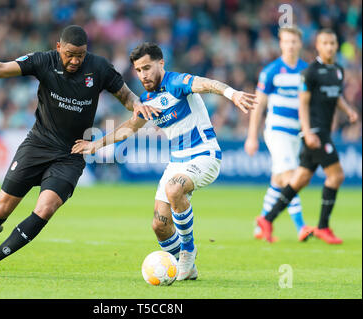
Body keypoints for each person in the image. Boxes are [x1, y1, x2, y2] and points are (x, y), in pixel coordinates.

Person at [0, 25, 160, 277]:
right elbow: (0, 70)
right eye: (70, 54)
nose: (75, 60)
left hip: (72, 153)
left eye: (80, 54)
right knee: (2, 209)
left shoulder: (99, 67)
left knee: (45, 208)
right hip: (37, 145)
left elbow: (126, 96)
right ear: (58, 47)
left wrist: (137, 105)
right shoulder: (43, 61)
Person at [72, 42, 256, 280]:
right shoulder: (147, 100)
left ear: (161, 63)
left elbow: (207, 84)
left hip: (204, 155)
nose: (143, 74)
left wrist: (233, 94)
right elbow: (130, 127)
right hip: (177, 162)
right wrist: (97, 143)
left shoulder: (177, 83)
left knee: (174, 188)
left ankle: (188, 251)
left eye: (147, 68)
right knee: (159, 226)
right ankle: (186, 269)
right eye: (138, 70)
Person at [257, 29, 359, 244]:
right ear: (317, 46)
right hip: (312, 132)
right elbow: (303, 103)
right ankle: (319, 227)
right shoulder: (309, 72)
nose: (330, 47)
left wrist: (348, 110)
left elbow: (335, 95)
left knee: (298, 179)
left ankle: (267, 219)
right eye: (325, 43)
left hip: (307, 132)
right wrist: (308, 131)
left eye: (333, 43)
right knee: (336, 176)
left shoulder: (338, 71)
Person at [244, 26, 314, 242]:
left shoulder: (306, 70)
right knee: (291, 177)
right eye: (286, 41)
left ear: (299, 44)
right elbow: (259, 104)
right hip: (277, 130)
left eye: (294, 41)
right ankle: (301, 227)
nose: (290, 45)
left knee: (278, 180)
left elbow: (309, 104)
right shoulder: (271, 71)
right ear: (281, 43)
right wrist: (252, 136)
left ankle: (262, 223)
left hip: (296, 134)